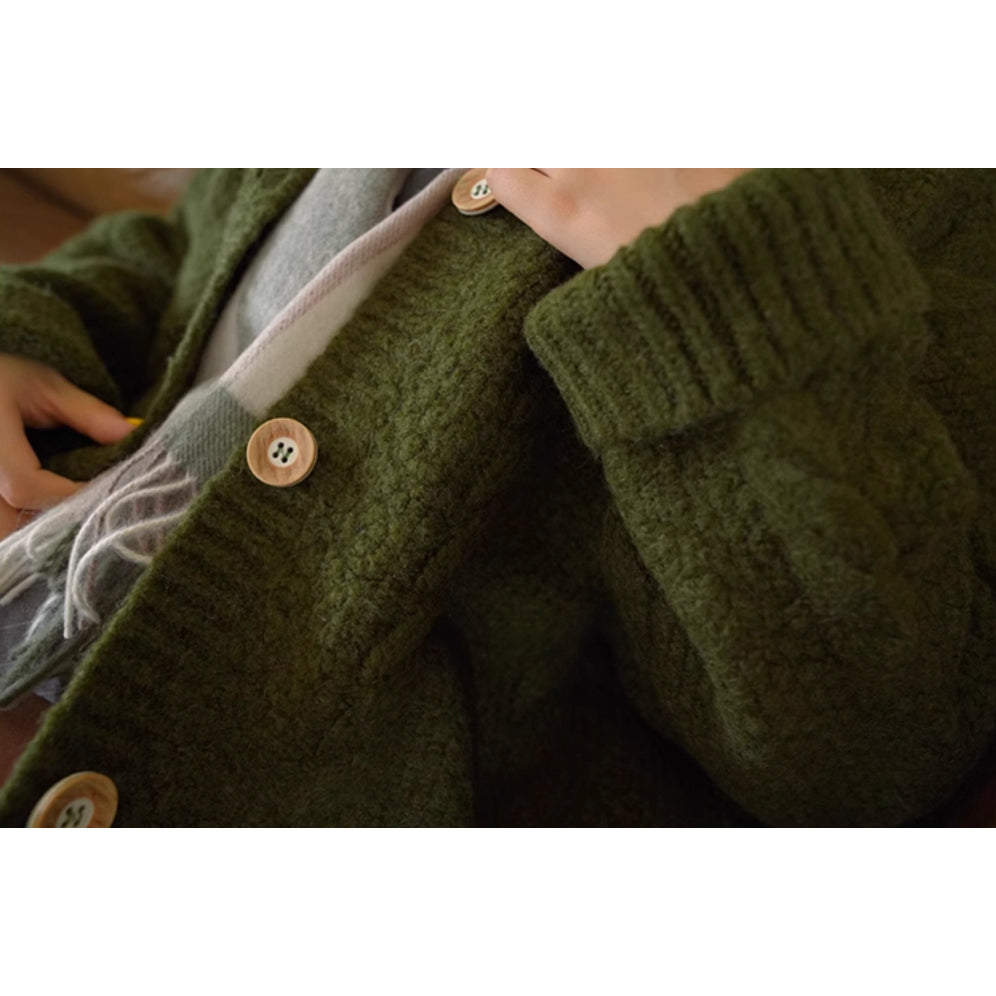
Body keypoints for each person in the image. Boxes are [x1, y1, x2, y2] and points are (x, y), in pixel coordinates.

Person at [0, 168, 993, 826]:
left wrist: (723, 289)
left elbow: (867, 764)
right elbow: (187, 256)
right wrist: (27, 331)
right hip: (49, 578)